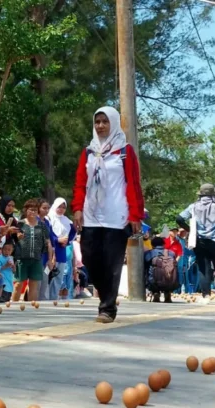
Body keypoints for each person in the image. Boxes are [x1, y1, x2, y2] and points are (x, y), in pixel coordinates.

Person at [72, 107, 144, 323]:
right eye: (97, 122)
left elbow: (134, 183)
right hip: (91, 214)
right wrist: (77, 208)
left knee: (112, 264)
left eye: (105, 122)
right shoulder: (89, 151)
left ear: (113, 123)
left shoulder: (124, 151)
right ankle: (106, 299)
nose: (101, 126)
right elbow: (80, 183)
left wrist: (135, 215)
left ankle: (107, 309)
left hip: (117, 215)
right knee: (90, 258)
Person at [176, 183, 215, 302]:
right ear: (213, 194)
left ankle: (206, 296)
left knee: (203, 269)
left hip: (199, 241)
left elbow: (179, 219)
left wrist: (190, 230)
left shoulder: (193, 206)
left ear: (200, 194)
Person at [12, 199, 53, 302]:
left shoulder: (42, 225)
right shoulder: (20, 224)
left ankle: (31, 309)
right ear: (26, 210)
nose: (33, 212)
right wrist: (18, 236)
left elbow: (48, 242)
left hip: (36, 258)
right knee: (18, 284)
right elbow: (13, 238)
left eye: (35, 210)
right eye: (31, 210)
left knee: (34, 285)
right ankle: (12, 307)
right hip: (22, 258)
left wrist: (50, 259)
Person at [46, 197, 76, 301]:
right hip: (51, 251)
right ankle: (46, 299)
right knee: (48, 276)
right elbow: (48, 234)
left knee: (59, 277)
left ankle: (54, 299)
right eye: (59, 207)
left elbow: (73, 232)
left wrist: (66, 241)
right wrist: (58, 239)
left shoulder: (67, 220)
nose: (61, 209)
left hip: (62, 251)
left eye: (64, 207)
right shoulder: (48, 218)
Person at [144, 236, 176, 303]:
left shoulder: (149, 253)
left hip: (153, 282)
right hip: (170, 282)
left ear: (152, 245)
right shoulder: (171, 253)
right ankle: (167, 292)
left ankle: (155, 292)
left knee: (147, 271)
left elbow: (145, 267)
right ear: (163, 244)